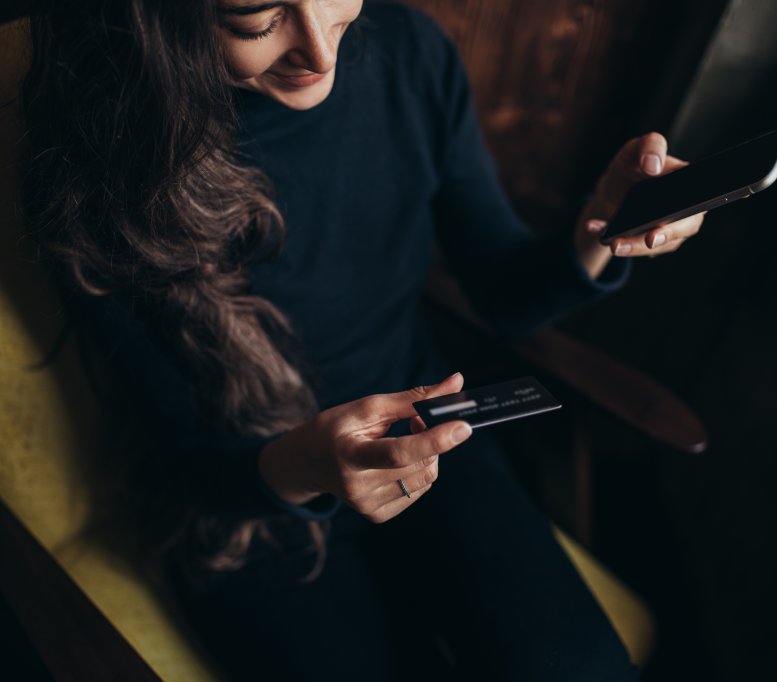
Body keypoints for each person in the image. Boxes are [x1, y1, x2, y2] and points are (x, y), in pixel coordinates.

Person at [20, 0, 704, 679]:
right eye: (256, 22)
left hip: (428, 434)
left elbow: (507, 296)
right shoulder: (98, 157)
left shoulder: (407, 53)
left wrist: (603, 230)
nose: (321, 53)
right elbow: (176, 464)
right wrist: (307, 466)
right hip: (250, 513)